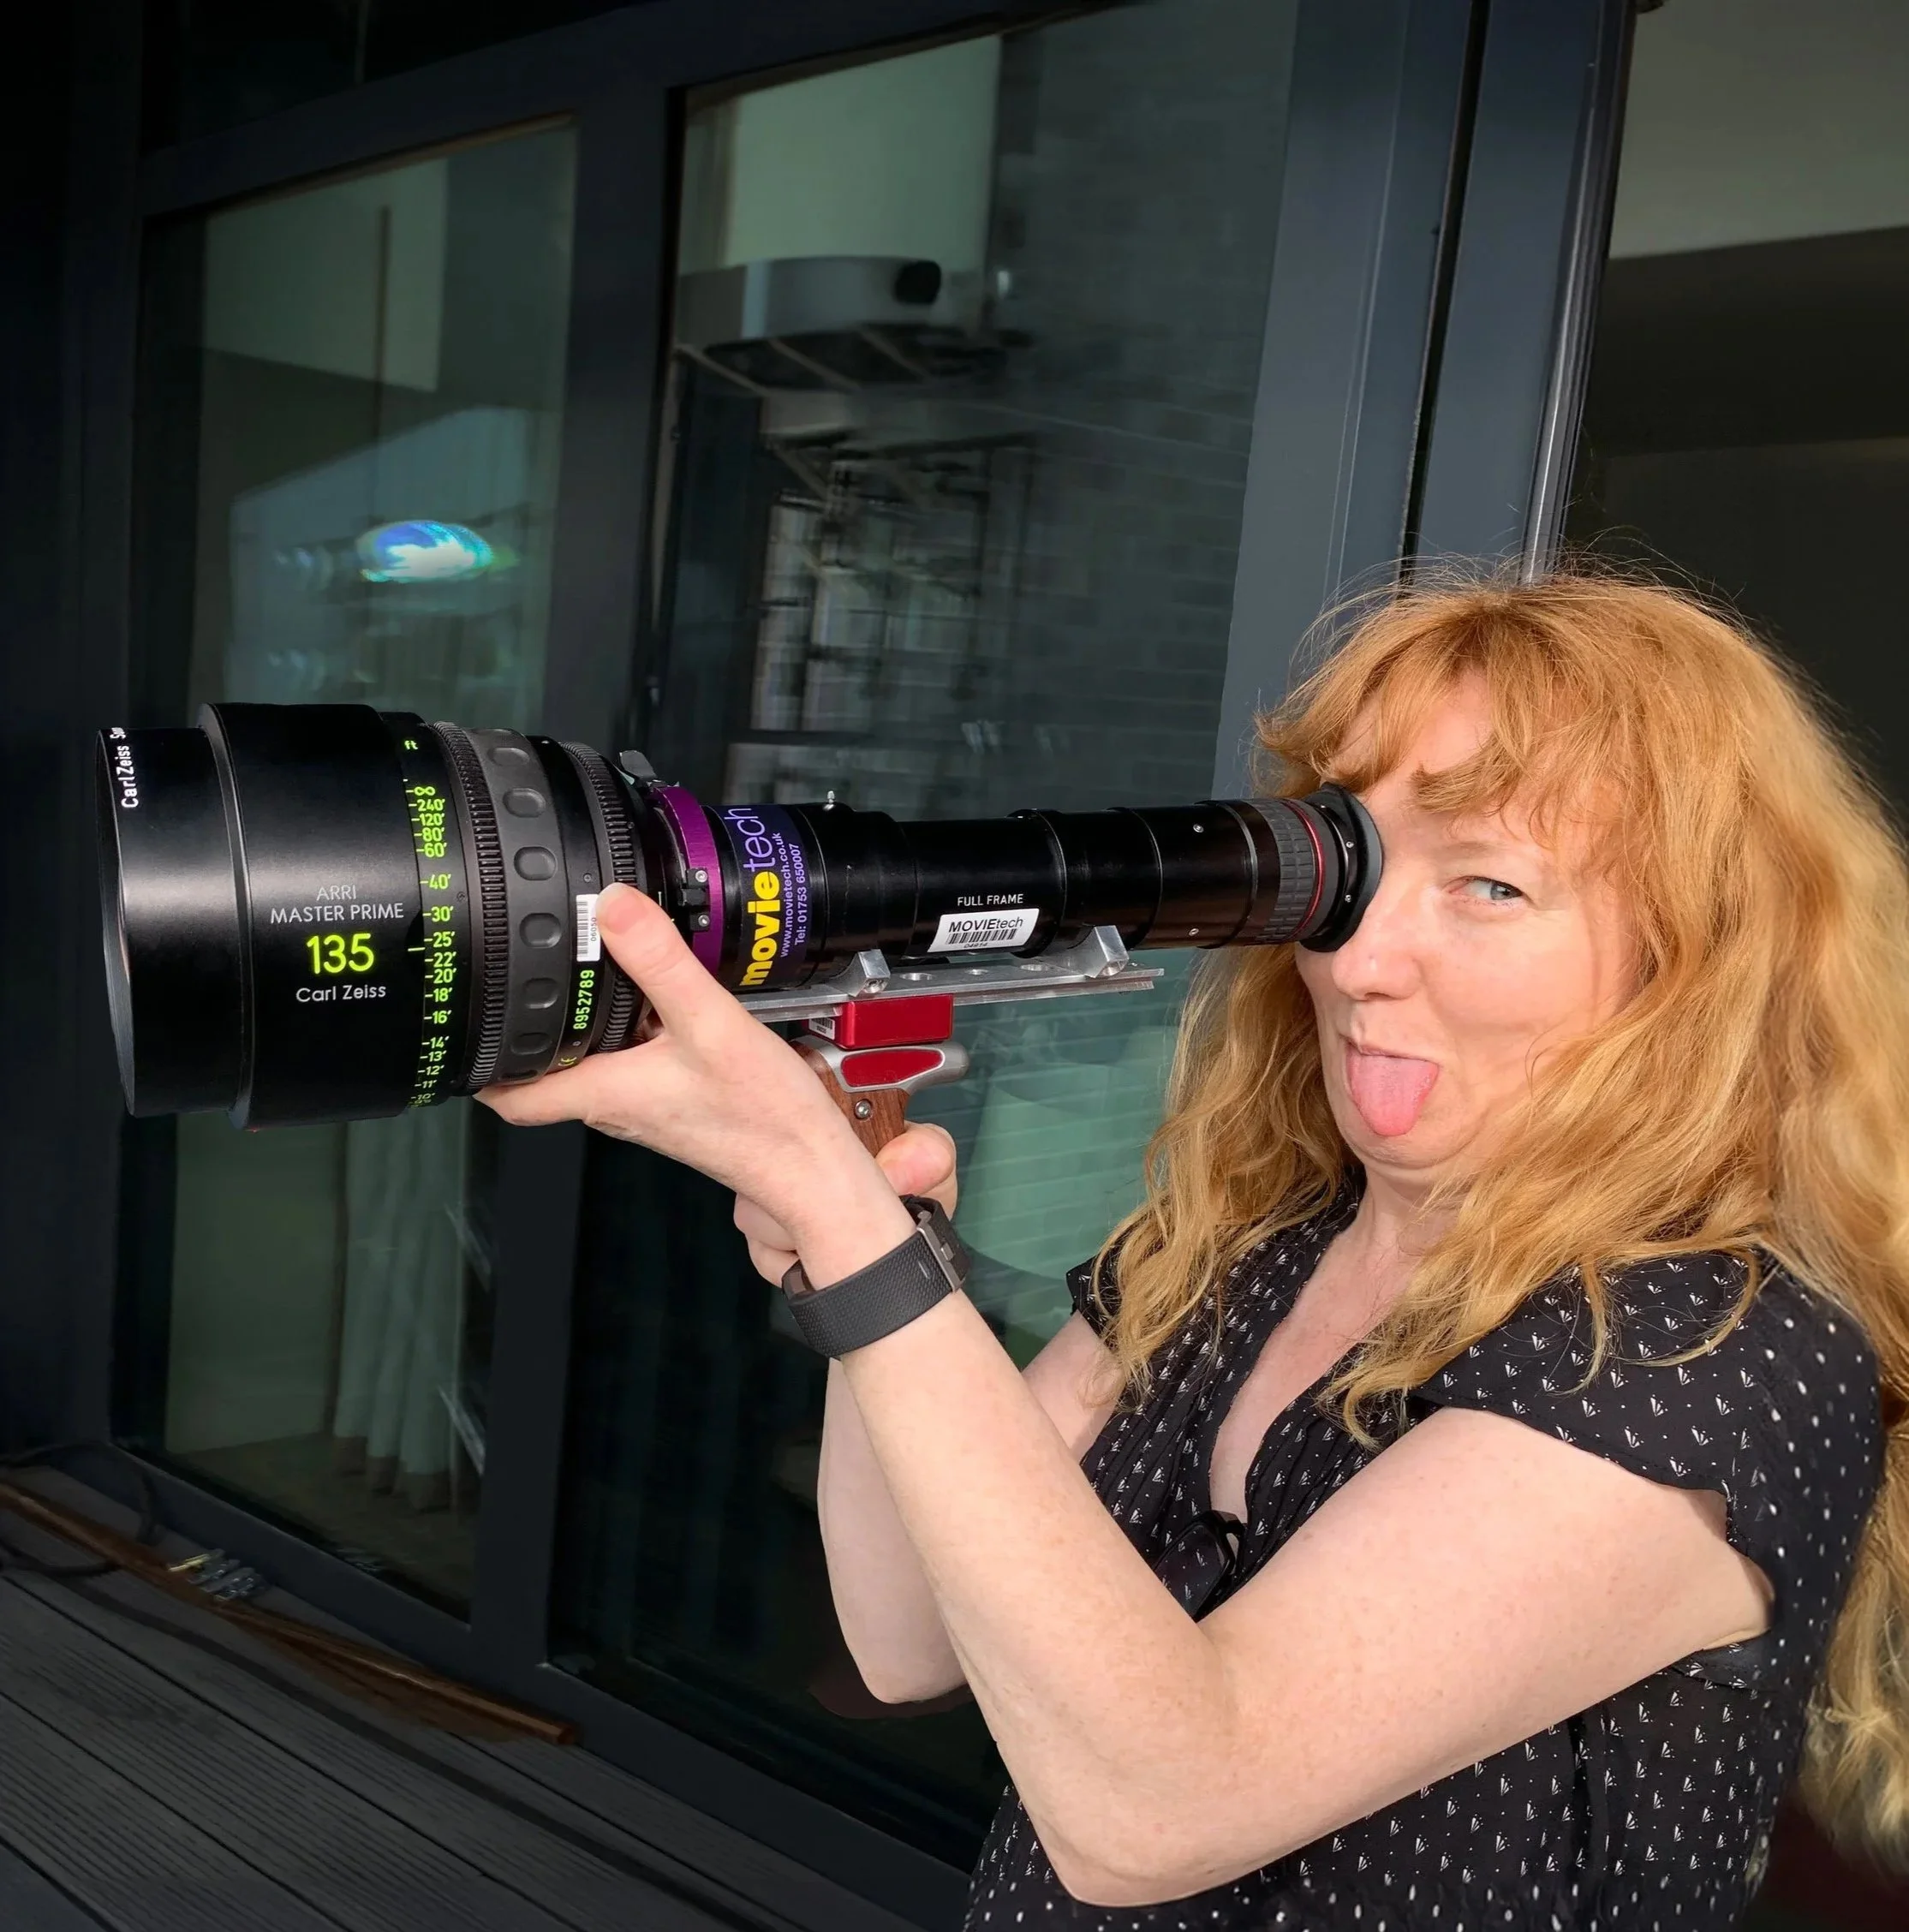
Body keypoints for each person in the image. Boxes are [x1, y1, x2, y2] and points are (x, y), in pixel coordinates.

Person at [484, 575, 1909, 1929]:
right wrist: (855, 1247)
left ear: (1695, 966)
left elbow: (1159, 1805)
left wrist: (848, 1228)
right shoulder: (1252, 1250)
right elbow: (908, 1633)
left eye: (1490, 888)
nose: (1359, 963)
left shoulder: (1720, 1356)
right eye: (1351, 871)